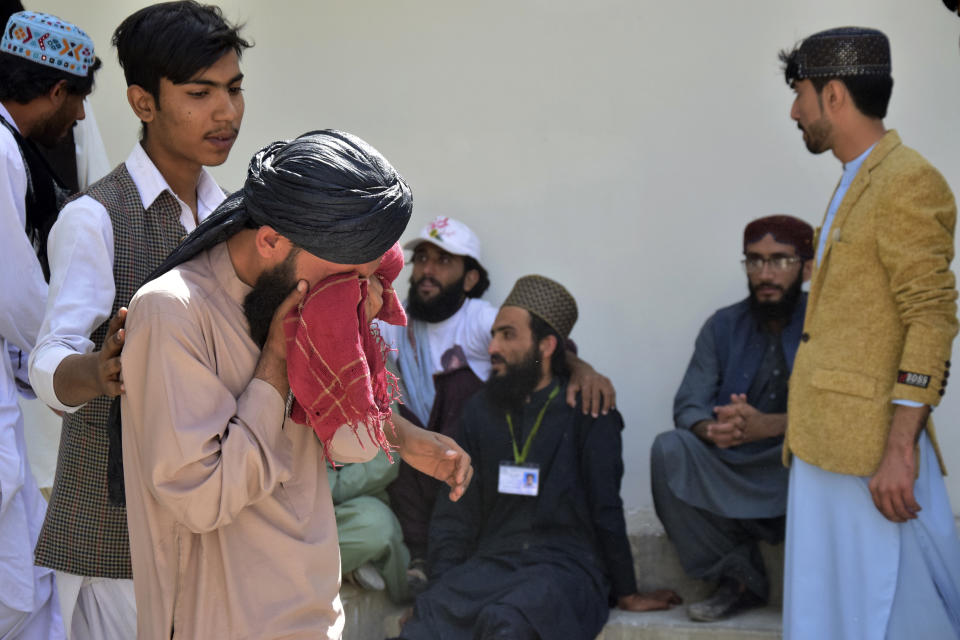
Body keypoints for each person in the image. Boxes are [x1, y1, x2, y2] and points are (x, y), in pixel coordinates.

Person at [119, 130, 473, 640]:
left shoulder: (309, 293)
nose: (355, 294)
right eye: (348, 276)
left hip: (314, 617)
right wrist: (277, 362)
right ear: (270, 241)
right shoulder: (173, 313)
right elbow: (199, 498)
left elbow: (335, 431)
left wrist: (403, 436)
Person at [26, 4, 248, 637]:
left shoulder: (233, 219)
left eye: (234, 90)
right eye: (200, 93)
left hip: (210, 519)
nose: (226, 112)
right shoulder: (95, 218)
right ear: (143, 102)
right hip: (111, 525)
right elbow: (49, 362)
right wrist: (98, 371)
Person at [779, 27, 960, 639]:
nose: (794, 110)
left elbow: (931, 314)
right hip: (830, 444)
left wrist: (900, 448)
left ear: (833, 96)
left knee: (893, 615)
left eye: (799, 92)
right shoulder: (859, 175)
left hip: (873, 456)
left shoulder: (906, 179)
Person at [397, 275, 680, 640]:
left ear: (546, 346)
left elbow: (605, 506)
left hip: (565, 569)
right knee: (430, 620)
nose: (493, 346)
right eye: (494, 334)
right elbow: (455, 514)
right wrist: (438, 593)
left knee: (512, 621)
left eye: (508, 335)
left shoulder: (588, 410)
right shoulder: (480, 410)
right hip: (492, 564)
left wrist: (627, 591)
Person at [383, 216, 616, 575]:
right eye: (423, 260)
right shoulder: (395, 320)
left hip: (473, 459)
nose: (427, 270)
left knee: (461, 389)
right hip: (418, 465)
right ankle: (420, 554)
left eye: (443, 261)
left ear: (470, 278)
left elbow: (538, 345)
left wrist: (581, 368)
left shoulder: (478, 318)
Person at [650, 215, 813, 622]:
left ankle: (817, 584)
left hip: (798, 468)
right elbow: (689, 403)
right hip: (735, 463)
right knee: (671, 450)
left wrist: (771, 426)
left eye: (779, 260)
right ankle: (738, 578)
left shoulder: (830, 324)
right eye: (754, 261)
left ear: (807, 268)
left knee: (839, 460)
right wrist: (713, 429)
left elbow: (846, 417)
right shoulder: (722, 326)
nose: (765, 273)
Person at [0, 10, 100, 639]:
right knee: (19, 575)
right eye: (80, 99)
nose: (82, 119)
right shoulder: (2, 152)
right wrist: (70, 365)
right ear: (58, 90)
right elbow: (13, 292)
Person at [330, 450, 412, 602]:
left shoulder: (380, 431)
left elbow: (385, 459)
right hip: (281, 524)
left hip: (336, 519)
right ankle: (348, 568)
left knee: (377, 525)